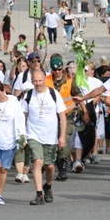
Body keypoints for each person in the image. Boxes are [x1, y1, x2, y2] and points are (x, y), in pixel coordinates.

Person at [22, 70, 67, 205]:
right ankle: (39, 194)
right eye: (35, 81)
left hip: (50, 136)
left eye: (40, 80)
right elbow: (22, 116)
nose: (38, 83)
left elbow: (62, 116)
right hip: (33, 134)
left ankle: (48, 185)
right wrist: (22, 135)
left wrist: (62, 136)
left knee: (50, 166)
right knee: (37, 162)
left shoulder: (53, 94)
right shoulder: (29, 95)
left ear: (45, 80)